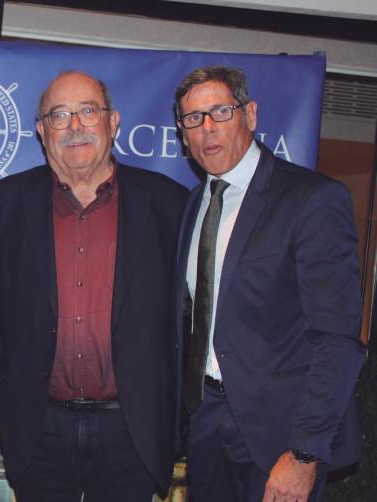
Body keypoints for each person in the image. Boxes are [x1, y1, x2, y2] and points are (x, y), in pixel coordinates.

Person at [0, 71, 188, 501]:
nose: (75, 126)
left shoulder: (169, 203)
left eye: (88, 111)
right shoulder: (2, 204)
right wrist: (1, 406)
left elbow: (188, 320)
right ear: (41, 130)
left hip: (132, 432)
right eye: (59, 115)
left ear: (113, 123)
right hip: (37, 429)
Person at [175, 65, 365, 502]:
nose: (207, 129)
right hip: (206, 423)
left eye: (220, 112)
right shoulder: (195, 203)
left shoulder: (311, 199)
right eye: (192, 119)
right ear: (183, 134)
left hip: (278, 436)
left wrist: (303, 452)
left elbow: (336, 338)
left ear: (251, 115)